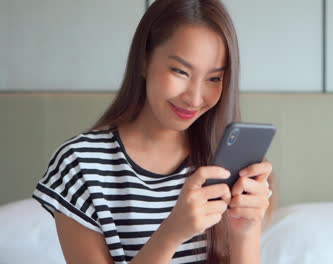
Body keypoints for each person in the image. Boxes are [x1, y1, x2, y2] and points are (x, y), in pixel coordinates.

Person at [32, 0, 277, 263]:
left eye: (214, 78)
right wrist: (171, 233)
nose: (194, 99)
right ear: (143, 60)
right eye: (180, 71)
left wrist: (245, 232)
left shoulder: (227, 162)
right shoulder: (79, 164)